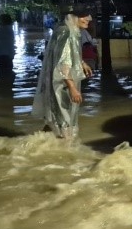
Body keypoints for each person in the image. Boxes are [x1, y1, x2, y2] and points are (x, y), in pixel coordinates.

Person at [32, 8, 94, 139]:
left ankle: (43, 143)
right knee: (65, 117)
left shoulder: (68, 29)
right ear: (73, 17)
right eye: (84, 16)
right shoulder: (66, 32)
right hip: (63, 83)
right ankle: (66, 151)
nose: (89, 19)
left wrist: (82, 62)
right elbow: (63, 63)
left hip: (62, 80)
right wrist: (72, 88)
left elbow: (67, 53)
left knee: (58, 115)